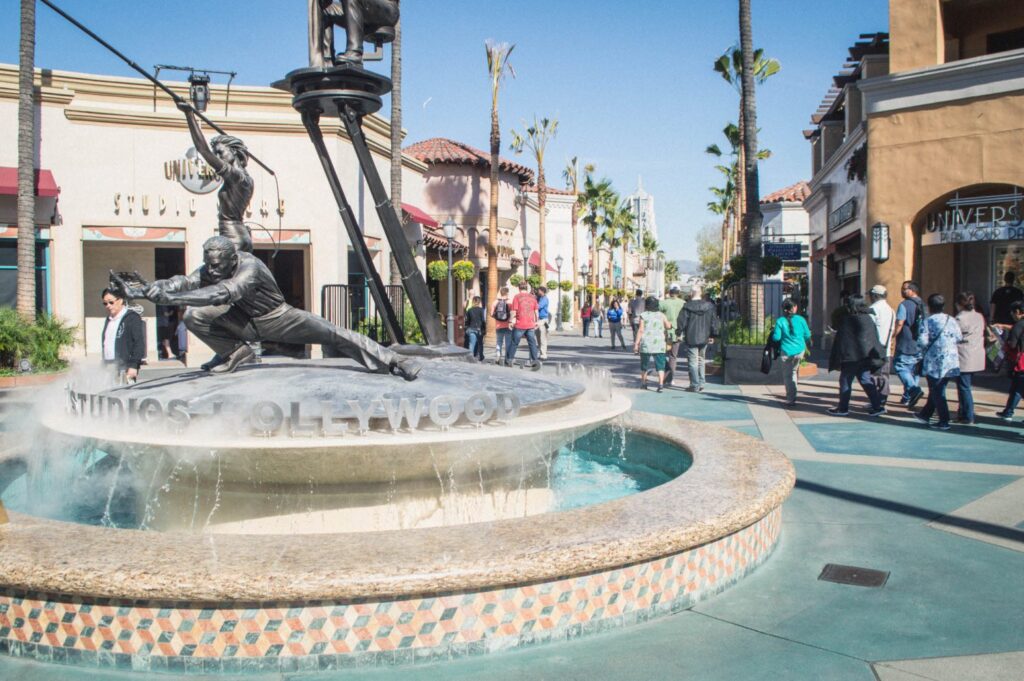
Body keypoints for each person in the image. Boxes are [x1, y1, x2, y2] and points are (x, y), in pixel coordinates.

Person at [116, 236, 419, 380]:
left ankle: (394, 361)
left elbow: (225, 292)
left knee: (334, 333)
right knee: (194, 316)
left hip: (279, 318)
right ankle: (237, 352)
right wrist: (149, 290)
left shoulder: (250, 266)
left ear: (232, 258)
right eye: (209, 263)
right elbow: (185, 281)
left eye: (218, 264)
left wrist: (171, 299)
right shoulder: (214, 266)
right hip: (243, 321)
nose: (212, 269)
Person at [177, 103, 254, 253]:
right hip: (240, 234)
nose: (217, 157)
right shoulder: (247, 179)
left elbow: (202, 150)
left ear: (233, 151)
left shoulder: (236, 176)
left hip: (231, 236)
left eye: (220, 152)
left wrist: (189, 115)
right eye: (216, 154)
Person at [827, 295, 886, 417]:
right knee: (865, 379)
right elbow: (872, 337)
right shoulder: (868, 318)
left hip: (851, 356)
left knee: (845, 380)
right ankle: (877, 406)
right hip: (865, 356)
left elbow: (843, 339)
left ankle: (843, 408)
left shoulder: (848, 320)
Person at [913, 294, 964, 430]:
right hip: (951, 361)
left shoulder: (927, 321)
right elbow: (959, 337)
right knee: (937, 389)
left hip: (934, 362)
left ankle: (944, 420)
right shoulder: (952, 319)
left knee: (937, 391)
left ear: (929, 306)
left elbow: (922, 342)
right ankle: (925, 415)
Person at [676, 285, 720, 393]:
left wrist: (678, 332)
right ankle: (701, 382)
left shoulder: (687, 306)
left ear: (691, 293)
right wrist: (713, 335)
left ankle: (694, 384)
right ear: (701, 293)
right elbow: (714, 322)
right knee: (701, 360)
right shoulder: (709, 306)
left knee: (692, 361)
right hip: (704, 336)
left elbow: (681, 322)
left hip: (691, 337)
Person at [100, 287, 146, 385]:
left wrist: (134, 365)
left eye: (111, 302)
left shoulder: (132, 318)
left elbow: (139, 343)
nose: (108, 306)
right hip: (109, 366)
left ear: (120, 300)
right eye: (105, 303)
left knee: (126, 396)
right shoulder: (109, 319)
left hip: (125, 367)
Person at [772, 299, 812, 406]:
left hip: (786, 351)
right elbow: (808, 335)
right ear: (794, 308)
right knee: (794, 371)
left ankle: (791, 398)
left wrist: (773, 331)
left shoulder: (780, 321)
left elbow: (776, 338)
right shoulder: (801, 319)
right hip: (799, 350)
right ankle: (793, 394)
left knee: (787, 375)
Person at [892, 280, 926, 407]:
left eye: (905, 288)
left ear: (912, 290)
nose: (902, 291)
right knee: (915, 370)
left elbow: (900, 323)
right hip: (921, 343)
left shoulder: (904, 305)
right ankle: (908, 396)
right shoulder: (923, 304)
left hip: (906, 342)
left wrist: (893, 335)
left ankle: (913, 390)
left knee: (900, 366)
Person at [954, 292, 985, 424]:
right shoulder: (979, 316)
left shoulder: (960, 318)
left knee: (964, 387)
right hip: (977, 354)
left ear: (959, 304)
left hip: (964, 355)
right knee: (965, 385)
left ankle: (967, 415)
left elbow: (954, 336)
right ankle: (963, 412)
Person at [633, 296, 672, 392]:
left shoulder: (643, 315)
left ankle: (644, 383)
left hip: (646, 343)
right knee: (660, 366)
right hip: (659, 344)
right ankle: (660, 385)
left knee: (644, 365)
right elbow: (668, 326)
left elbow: (641, 330)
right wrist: (670, 324)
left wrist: (636, 344)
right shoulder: (661, 315)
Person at [995, 300, 1024, 423]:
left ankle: (1008, 412)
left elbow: (1012, 344)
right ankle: (1008, 411)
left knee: (1017, 388)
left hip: (1021, 361)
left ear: (1017, 312)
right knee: (1017, 388)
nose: (1012, 315)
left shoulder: (1019, 325)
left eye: (1012, 312)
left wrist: (1003, 340)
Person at [868, 284, 896, 405]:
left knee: (873, 376)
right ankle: (882, 399)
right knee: (884, 375)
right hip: (886, 348)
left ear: (874, 295)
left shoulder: (873, 309)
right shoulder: (891, 310)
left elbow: (868, 329)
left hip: (874, 348)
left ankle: (875, 400)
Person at [506, 281, 540, 369]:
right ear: (527, 288)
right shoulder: (533, 297)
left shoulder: (517, 297)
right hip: (530, 324)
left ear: (519, 288)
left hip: (520, 324)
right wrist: (537, 321)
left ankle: (510, 359)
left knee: (514, 343)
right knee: (532, 343)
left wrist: (510, 321)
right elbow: (536, 311)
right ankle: (535, 360)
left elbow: (513, 311)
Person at [659, 286, 685, 386]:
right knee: (673, 356)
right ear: (678, 292)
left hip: (665, 333)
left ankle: (665, 374)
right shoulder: (683, 303)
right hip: (678, 333)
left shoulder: (663, 303)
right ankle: (670, 378)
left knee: (661, 353)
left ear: (669, 292)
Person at [491, 286, 512, 363]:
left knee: (499, 341)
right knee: (508, 342)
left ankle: (498, 355)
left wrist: (498, 318)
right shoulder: (510, 302)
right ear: (507, 293)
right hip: (508, 325)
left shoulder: (495, 302)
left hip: (498, 325)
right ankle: (507, 358)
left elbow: (491, 314)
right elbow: (513, 313)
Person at [464, 296, 486, 362]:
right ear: (479, 302)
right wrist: (484, 329)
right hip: (479, 329)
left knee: (471, 343)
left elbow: (467, 321)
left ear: (473, 301)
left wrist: (467, 327)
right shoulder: (482, 310)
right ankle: (480, 356)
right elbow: (483, 321)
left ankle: (470, 357)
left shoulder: (469, 310)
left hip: (471, 328)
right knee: (480, 343)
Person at [535, 286, 550, 361]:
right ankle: (541, 353)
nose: (537, 292)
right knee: (538, 337)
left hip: (543, 320)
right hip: (538, 319)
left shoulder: (544, 299)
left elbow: (538, 306)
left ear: (542, 291)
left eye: (538, 290)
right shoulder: (539, 298)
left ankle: (544, 354)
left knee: (542, 337)